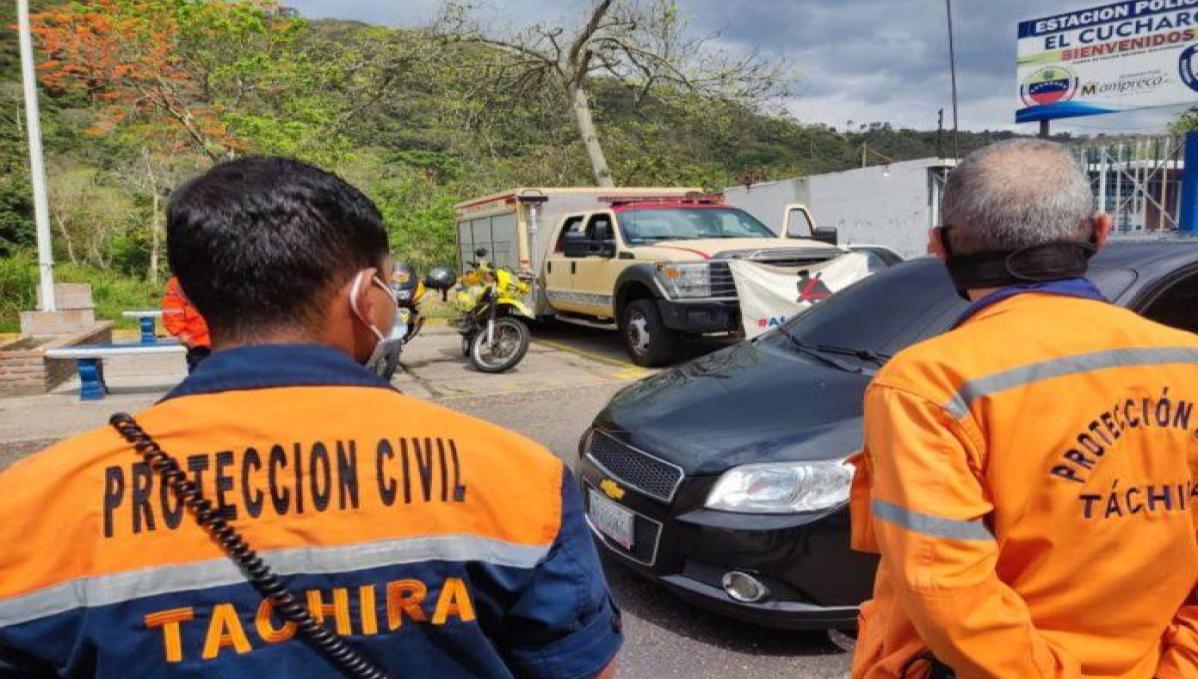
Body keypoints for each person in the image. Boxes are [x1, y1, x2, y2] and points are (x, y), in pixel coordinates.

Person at [0, 157, 622, 679]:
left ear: (191, 297)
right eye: (388, 280)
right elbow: (582, 667)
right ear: (364, 294)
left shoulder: (32, 503)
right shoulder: (516, 475)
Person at [849, 139, 1196, 679]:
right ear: (1100, 233)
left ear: (939, 246)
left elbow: (946, 589)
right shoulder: (1189, 361)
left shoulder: (929, 384)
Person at [162, 273, 212, 373]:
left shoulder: (222, 275)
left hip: (226, 344)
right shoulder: (177, 284)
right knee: (200, 384)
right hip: (199, 347)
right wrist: (182, 335)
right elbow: (171, 313)